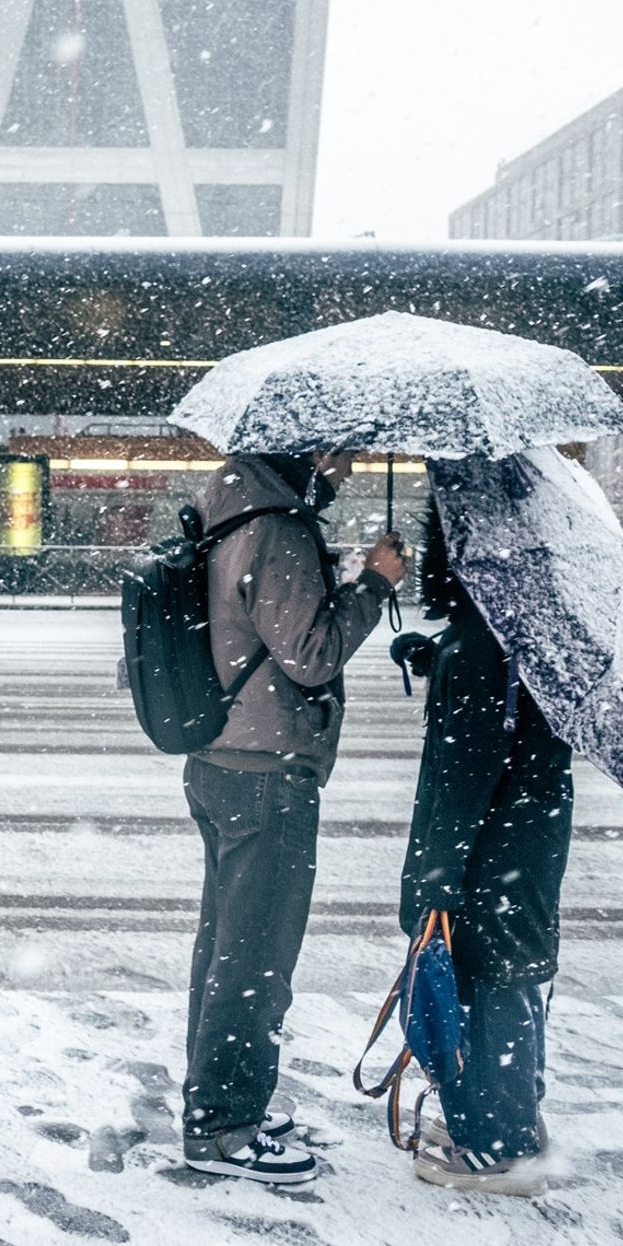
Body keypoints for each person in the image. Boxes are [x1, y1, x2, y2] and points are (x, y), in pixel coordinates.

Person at [181, 451, 405, 1185]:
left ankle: (220, 1099)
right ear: (308, 450)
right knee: (254, 959)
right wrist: (375, 584)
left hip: (221, 757)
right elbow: (310, 653)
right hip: (265, 769)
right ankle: (224, 1127)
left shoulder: (232, 509)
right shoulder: (277, 529)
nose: (346, 471)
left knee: (225, 948)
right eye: (341, 455)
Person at [391, 504, 571, 1196]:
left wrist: (437, 875)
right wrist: (439, 656)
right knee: (513, 978)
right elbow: (511, 726)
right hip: (526, 843)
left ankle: (498, 1148)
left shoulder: (481, 649)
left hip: (487, 853)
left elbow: (462, 779)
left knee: (485, 981)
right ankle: (515, 1118)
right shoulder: (525, 632)